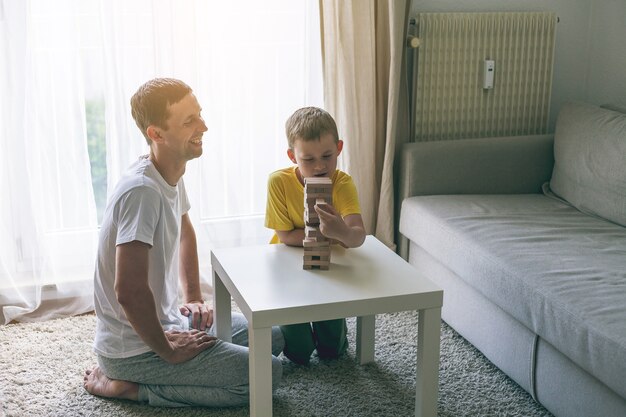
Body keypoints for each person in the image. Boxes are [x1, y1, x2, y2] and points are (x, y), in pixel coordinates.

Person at [83, 78, 284, 407]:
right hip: (135, 349)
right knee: (268, 374)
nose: (203, 126)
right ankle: (130, 388)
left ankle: (158, 364)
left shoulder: (167, 171)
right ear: (156, 134)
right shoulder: (142, 192)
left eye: (200, 114)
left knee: (272, 336)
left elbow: (185, 228)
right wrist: (168, 350)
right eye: (189, 121)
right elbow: (128, 290)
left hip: (169, 320)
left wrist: (193, 297)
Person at [264, 106, 366, 365]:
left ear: (339, 148)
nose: (320, 166)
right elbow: (285, 236)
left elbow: (358, 235)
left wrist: (342, 232)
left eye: (327, 156)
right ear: (292, 156)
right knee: (299, 351)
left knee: (333, 350)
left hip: (328, 269)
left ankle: (332, 332)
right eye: (308, 160)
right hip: (288, 267)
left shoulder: (342, 183)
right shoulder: (278, 182)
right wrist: (324, 234)